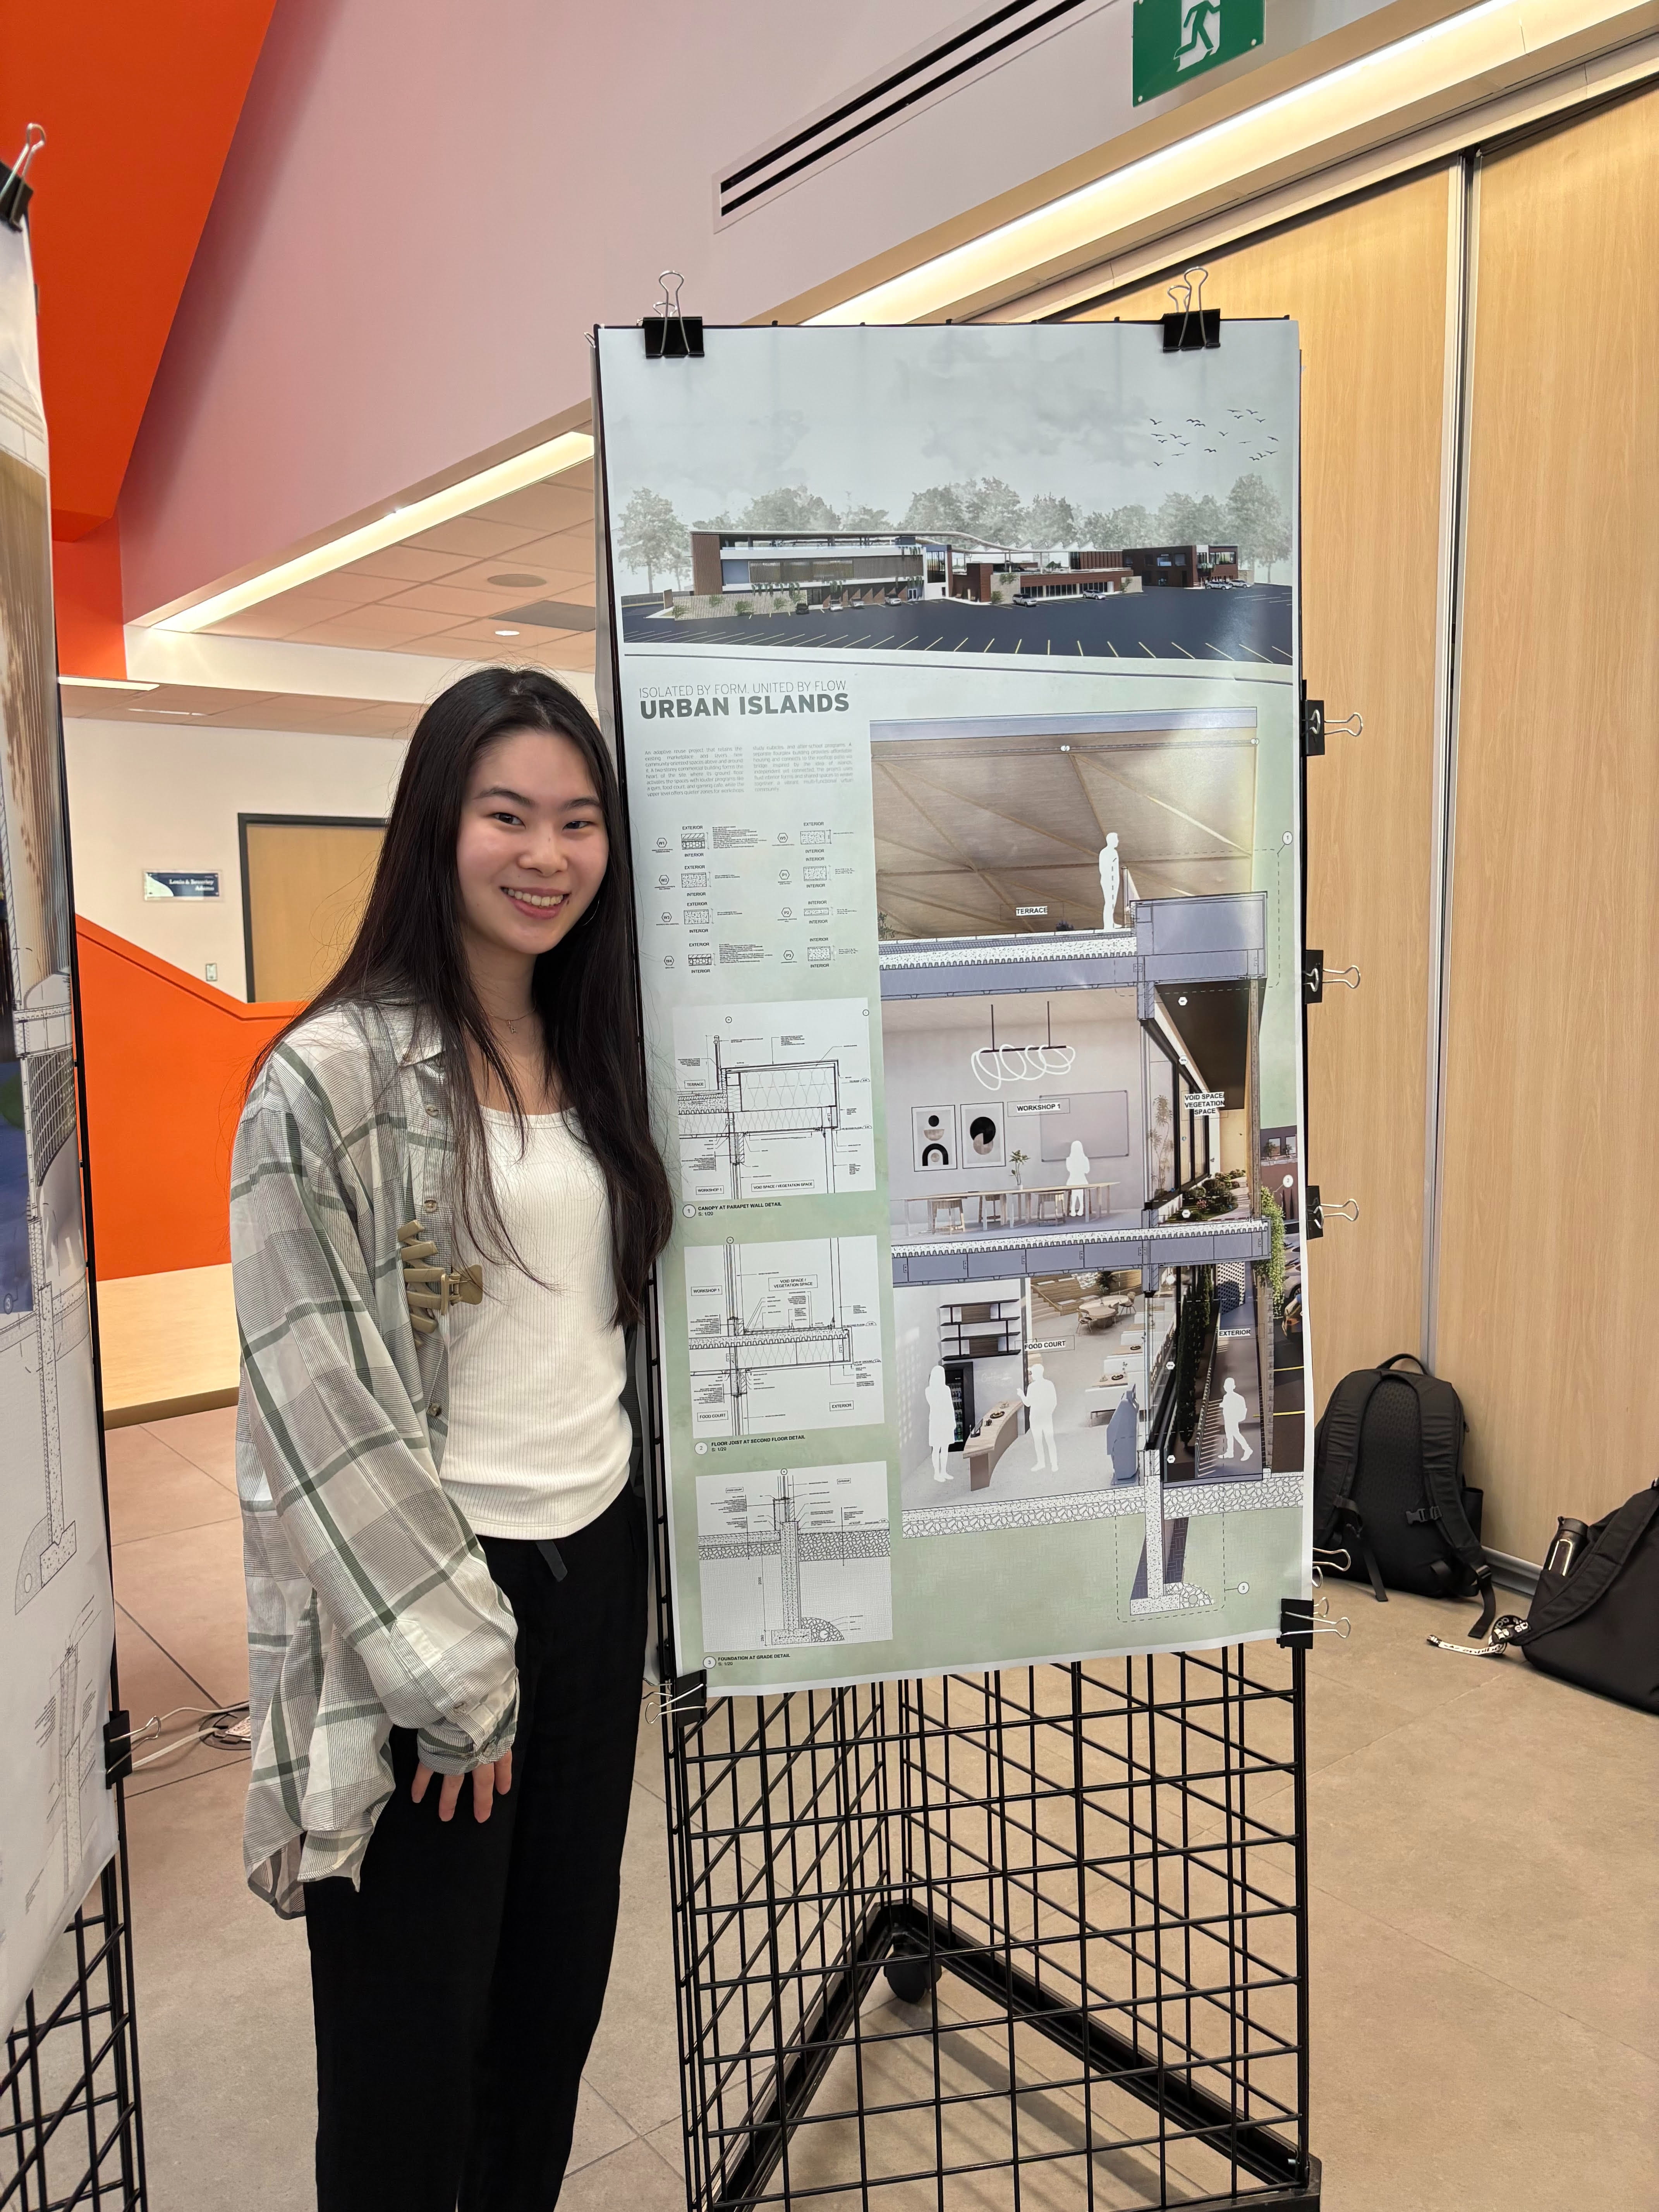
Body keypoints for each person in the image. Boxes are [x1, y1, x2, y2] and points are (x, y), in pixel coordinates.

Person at [230, 667, 673, 2212]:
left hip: (593, 1567)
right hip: (426, 1603)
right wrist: (453, 1669)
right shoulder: (333, 1075)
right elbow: (319, 1399)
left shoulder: (601, 1048)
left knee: (549, 2015)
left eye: (577, 820)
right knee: (411, 2049)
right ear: (438, 826)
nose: (546, 854)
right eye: (507, 816)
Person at [1022, 1360, 1059, 1471]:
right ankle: (1054, 1464)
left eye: (1032, 1373)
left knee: (1038, 1441)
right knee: (1050, 1440)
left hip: (1035, 1417)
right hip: (1046, 1416)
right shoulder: (1049, 1384)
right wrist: (1049, 1412)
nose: (1031, 1376)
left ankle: (1041, 1463)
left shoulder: (1032, 1387)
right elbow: (1054, 1402)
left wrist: (1021, 1395)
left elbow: (1028, 1403)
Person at [925, 1363, 958, 1481]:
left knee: (942, 1448)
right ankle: (937, 1474)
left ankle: (943, 1472)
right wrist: (952, 1421)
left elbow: (949, 1406)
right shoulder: (940, 1390)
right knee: (939, 1448)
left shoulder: (930, 1390)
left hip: (937, 1422)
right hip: (940, 1422)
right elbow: (949, 1407)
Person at [1219, 1374, 1253, 1461]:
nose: (1226, 1387)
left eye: (1229, 1386)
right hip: (1227, 1419)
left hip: (1233, 1419)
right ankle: (1230, 1452)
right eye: (1226, 1386)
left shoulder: (1237, 1398)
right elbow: (1225, 1405)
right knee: (1229, 1436)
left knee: (1236, 1435)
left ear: (1233, 1387)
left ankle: (1248, 1449)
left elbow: (1236, 1408)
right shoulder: (1226, 1397)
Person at [1064, 1137, 1091, 1216]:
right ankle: (1081, 1207)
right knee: (1080, 1190)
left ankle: (1073, 1207)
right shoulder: (1085, 1159)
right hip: (1082, 1179)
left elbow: (1069, 1170)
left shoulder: (1069, 1159)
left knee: (1075, 1191)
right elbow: (1087, 1171)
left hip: (1072, 1180)